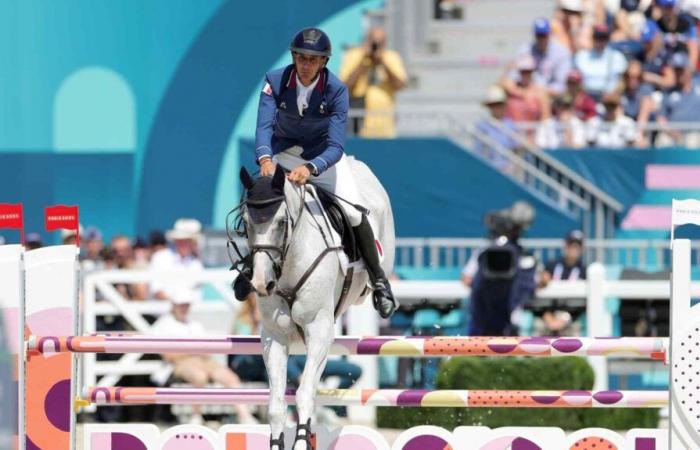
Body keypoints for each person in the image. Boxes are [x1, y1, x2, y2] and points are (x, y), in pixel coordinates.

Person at [238, 27, 397, 319]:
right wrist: (265, 160)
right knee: (257, 195)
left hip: (322, 158)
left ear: (323, 62)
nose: (306, 64)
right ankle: (249, 264)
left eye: (313, 59)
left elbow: (336, 145)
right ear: (294, 57)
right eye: (301, 58)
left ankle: (379, 281)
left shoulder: (337, 90)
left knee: (354, 213)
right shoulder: (274, 81)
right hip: (283, 154)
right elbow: (263, 129)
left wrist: (311, 167)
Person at [150, 289, 258, 425]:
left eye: (186, 304)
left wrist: (187, 350)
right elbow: (168, 355)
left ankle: (244, 416)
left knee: (231, 378)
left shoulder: (195, 325)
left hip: (201, 361)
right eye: (181, 304)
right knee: (199, 377)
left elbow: (206, 351)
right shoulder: (165, 324)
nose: (184, 308)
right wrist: (194, 350)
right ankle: (197, 415)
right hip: (181, 363)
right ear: (174, 305)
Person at [339, 26, 407, 137]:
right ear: (367, 40)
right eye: (374, 42)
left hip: (384, 125)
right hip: (358, 124)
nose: (376, 47)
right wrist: (363, 60)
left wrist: (383, 63)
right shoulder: (354, 55)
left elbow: (400, 85)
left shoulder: (391, 57)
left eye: (380, 43)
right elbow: (345, 86)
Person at [535, 230, 587, 336]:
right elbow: (537, 293)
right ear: (565, 246)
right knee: (537, 330)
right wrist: (547, 316)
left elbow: (584, 304)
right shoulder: (550, 266)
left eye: (577, 246)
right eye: (571, 245)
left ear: (582, 249)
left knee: (573, 336)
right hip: (547, 314)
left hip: (571, 317)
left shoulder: (584, 271)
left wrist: (564, 319)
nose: (573, 249)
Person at [506, 18, 573, 96]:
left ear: (549, 34)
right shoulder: (526, 50)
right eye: (539, 35)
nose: (541, 39)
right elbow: (512, 77)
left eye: (544, 35)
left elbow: (562, 85)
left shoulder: (561, 52)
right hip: (526, 94)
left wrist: (539, 92)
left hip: (552, 96)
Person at [150, 218, 205, 302]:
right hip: (162, 312)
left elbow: (197, 295)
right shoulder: (160, 257)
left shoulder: (196, 264)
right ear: (175, 241)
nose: (184, 244)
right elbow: (156, 289)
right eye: (181, 240)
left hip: (187, 311)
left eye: (188, 241)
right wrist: (176, 306)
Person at [574, 24, 629, 100]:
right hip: (586, 97)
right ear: (593, 37)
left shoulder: (617, 57)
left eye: (603, 38)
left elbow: (623, 82)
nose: (600, 41)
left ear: (607, 39)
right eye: (597, 37)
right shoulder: (581, 56)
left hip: (608, 98)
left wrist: (614, 93)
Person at [474, 86, 519, 171]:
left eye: (499, 104)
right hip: (488, 169)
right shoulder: (482, 126)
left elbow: (516, 149)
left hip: (508, 170)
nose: (496, 108)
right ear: (489, 107)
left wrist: (511, 167)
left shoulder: (511, 125)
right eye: (493, 105)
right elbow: (478, 151)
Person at [502, 54, 552, 124]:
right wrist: (508, 70)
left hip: (533, 132)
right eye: (523, 71)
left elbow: (545, 116)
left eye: (528, 71)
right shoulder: (513, 88)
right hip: (511, 132)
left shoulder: (540, 91)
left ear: (532, 72)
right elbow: (501, 85)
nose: (525, 74)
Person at [655, 0, 698, 72]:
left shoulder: (686, 23)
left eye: (671, 7)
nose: (669, 10)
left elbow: (693, 48)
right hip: (663, 66)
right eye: (666, 7)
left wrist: (690, 69)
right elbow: (654, 51)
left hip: (683, 66)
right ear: (661, 8)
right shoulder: (657, 25)